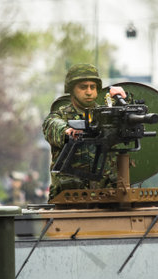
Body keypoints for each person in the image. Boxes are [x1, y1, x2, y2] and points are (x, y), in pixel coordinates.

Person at [42, 63, 127, 200]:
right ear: (71, 89)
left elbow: (127, 125)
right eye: (83, 87)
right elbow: (52, 126)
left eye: (92, 87)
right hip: (69, 200)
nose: (89, 92)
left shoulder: (109, 116)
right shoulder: (60, 116)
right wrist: (67, 131)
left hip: (107, 199)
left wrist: (124, 100)